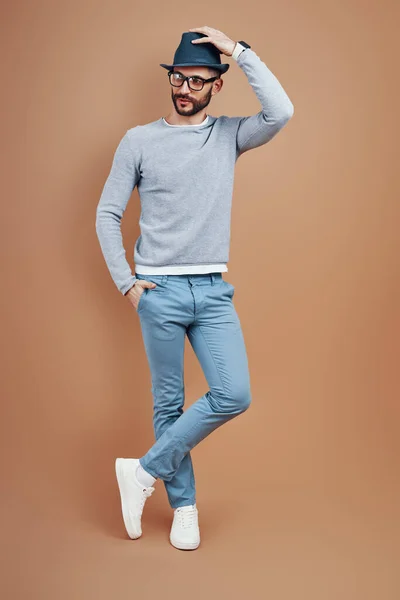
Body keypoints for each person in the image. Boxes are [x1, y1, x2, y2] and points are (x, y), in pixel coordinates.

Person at [96, 25, 294, 550]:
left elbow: (281, 111)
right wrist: (127, 285)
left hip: (211, 290)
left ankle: (141, 472)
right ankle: (183, 506)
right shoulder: (138, 140)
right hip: (156, 290)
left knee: (234, 393)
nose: (185, 88)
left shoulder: (228, 135)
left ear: (217, 86)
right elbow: (107, 213)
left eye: (198, 80)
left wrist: (239, 51)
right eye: (178, 78)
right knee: (169, 401)